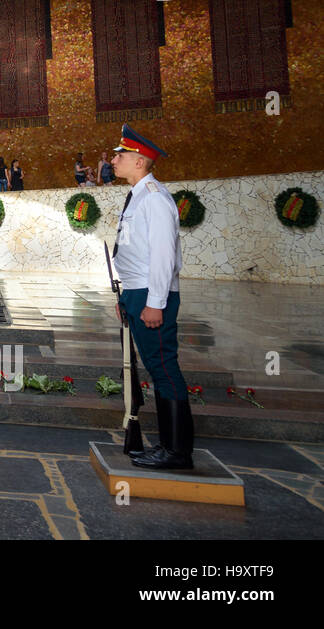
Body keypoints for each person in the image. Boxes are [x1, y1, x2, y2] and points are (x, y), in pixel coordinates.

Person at [110, 124, 193, 470]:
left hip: (151, 294)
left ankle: (176, 452)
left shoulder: (155, 198)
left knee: (163, 367)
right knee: (156, 367)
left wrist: (155, 302)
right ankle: (167, 445)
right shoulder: (139, 197)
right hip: (137, 291)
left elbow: (163, 255)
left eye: (121, 155)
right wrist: (127, 295)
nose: (114, 160)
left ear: (140, 162)